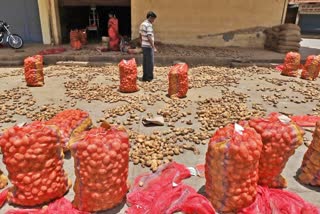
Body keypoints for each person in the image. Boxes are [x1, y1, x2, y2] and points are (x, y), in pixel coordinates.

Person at [139, 11, 157, 82]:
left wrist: (142, 43)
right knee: (150, 63)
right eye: (153, 19)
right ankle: (149, 78)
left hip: (144, 46)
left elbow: (140, 35)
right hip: (148, 46)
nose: (153, 21)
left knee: (145, 62)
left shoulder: (142, 24)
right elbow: (149, 36)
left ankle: (145, 77)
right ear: (150, 17)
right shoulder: (148, 25)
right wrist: (153, 47)